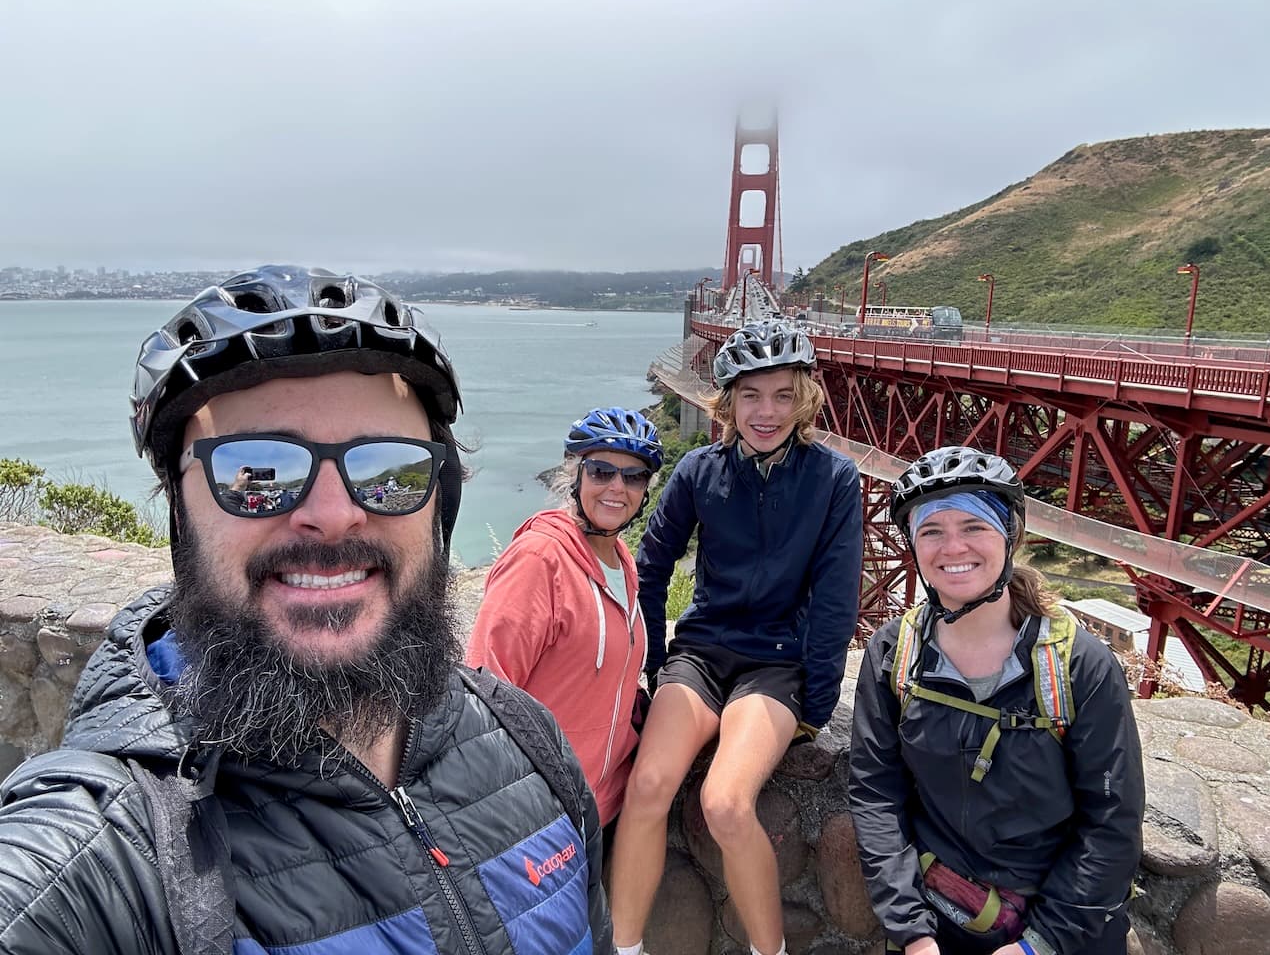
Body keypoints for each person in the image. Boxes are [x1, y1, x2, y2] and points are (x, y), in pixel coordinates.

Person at [0, 265, 612, 954]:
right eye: (256, 471)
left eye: (391, 471)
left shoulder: (527, 741)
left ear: (441, 500)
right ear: (180, 510)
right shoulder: (112, 856)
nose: (332, 516)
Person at [610, 319, 864, 955]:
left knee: (725, 803)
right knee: (645, 788)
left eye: (783, 395)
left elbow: (835, 601)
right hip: (699, 654)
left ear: (804, 398)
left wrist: (816, 703)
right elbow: (653, 563)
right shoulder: (699, 469)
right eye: (751, 395)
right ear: (728, 401)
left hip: (776, 665)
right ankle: (625, 947)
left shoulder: (833, 479)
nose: (767, 411)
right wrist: (655, 662)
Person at [847, 446, 1144, 955]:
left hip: (1059, 929)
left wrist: (1039, 944)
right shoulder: (894, 653)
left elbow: (1112, 822)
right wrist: (912, 931)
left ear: (1009, 536)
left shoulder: (1077, 665)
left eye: (974, 526)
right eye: (932, 531)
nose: (952, 547)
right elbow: (876, 792)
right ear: (914, 547)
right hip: (942, 920)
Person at [466, 407, 663, 844]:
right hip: (537, 818)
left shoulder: (624, 564)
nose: (617, 487)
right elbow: (485, 692)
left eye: (633, 477)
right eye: (601, 471)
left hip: (601, 809)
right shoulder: (539, 560)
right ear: (575, 475)